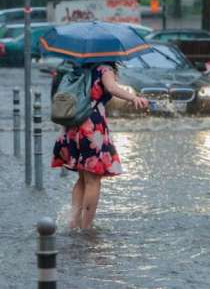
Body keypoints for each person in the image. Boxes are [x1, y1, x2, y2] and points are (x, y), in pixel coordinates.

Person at [51, 63, 148, 229]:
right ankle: (86, 227)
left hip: (74, 124)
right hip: (91, 127)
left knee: (82, 179)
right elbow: (111, 87)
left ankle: (73, 223)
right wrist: (133, 98)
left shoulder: (78, 68)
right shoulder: (104, 69)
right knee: (93, 180)